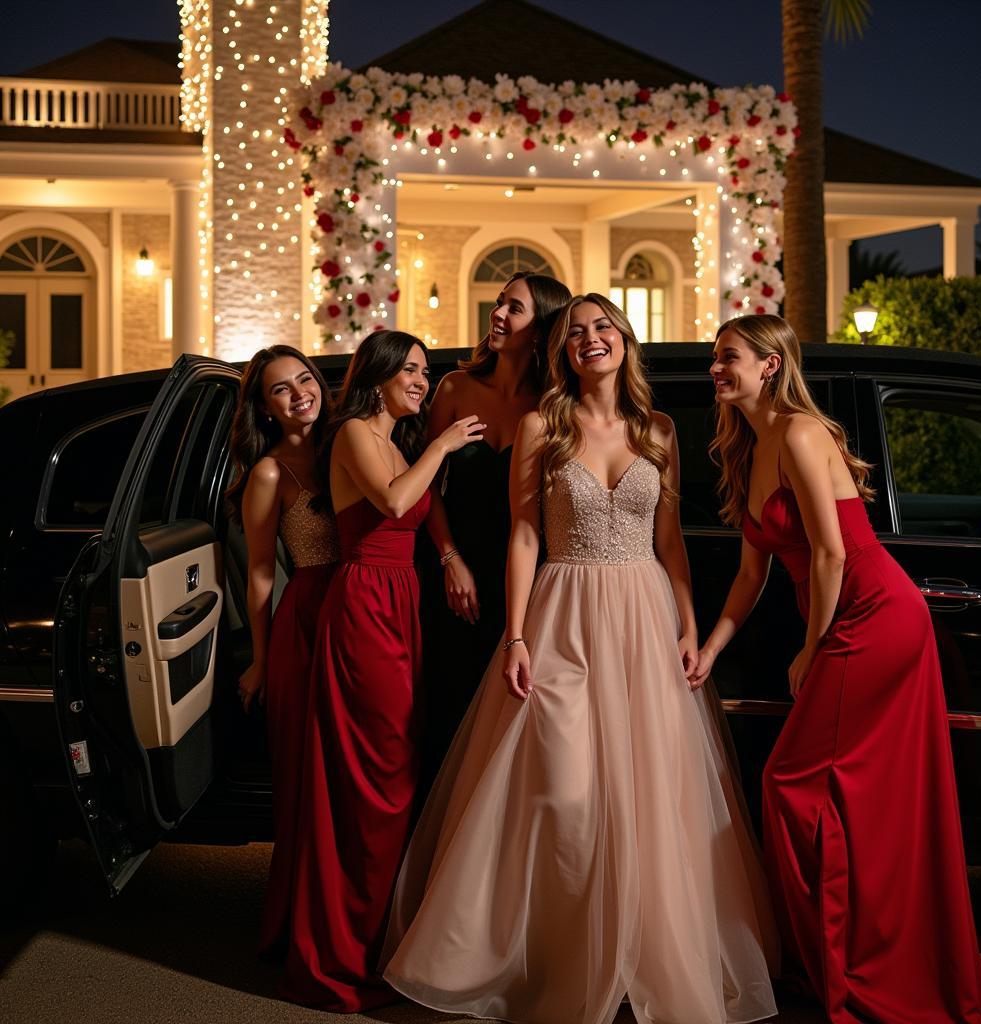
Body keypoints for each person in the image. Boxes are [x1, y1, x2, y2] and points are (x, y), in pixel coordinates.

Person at [382, 295, 779, 1024]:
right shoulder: (542, 425)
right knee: (563, 794)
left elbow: (671, 542)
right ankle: (558, 962)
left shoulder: (657, 429)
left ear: (625, 342)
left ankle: (638, 962)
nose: (591, 339)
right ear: (563, 352)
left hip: (645, 619)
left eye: (603, 328)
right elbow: (525, 536)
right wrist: (517, 636)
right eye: (575, 333)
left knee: (652, 801)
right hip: (561, 615)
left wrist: (690, 628)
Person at [694, 314, 981, 1024]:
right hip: (841, 617)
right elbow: (751, 574)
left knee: (790, 785)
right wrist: (711, 647)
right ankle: (840, 956)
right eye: (715, 358)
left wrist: (812, 647)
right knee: (842, 798)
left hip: (872, 617)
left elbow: (831, 554)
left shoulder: (803, 432)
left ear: (770, 364)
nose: (718, 368)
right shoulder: (747, 447)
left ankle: (854, 963)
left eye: (729, 357)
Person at [280, 330, 485, 1012]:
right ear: (380, 375)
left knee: (398, 767)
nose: (424, 382)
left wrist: (451, 553)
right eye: (414, 371)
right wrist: (443, 444)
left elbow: (427, 510)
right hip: (365, 602)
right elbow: (397, 503)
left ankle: (376, 940)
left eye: (427, 372)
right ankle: (342, 951)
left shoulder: (394, 440)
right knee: (377, 777)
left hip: (401, 603)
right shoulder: (353, 435)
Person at [420, 270, 571, 780]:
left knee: (516, 720)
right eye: (500, 302)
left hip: (529, 577)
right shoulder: (455, 387)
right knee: (448, 710)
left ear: (542, 328)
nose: (499, 314)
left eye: (515, 308)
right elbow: (426, 485)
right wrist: (449, 557)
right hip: (453, 574)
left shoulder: (555, 408)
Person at [224, 344, 338, 956]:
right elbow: (262, 572)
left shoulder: (348, 442)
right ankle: (309, 926)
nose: (300, 394)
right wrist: (263, 658)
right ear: (264, 409)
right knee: (311, 778)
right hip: (309, 620)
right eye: (280, 389)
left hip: (369, 611)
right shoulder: (270, 472)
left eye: (305, 379)